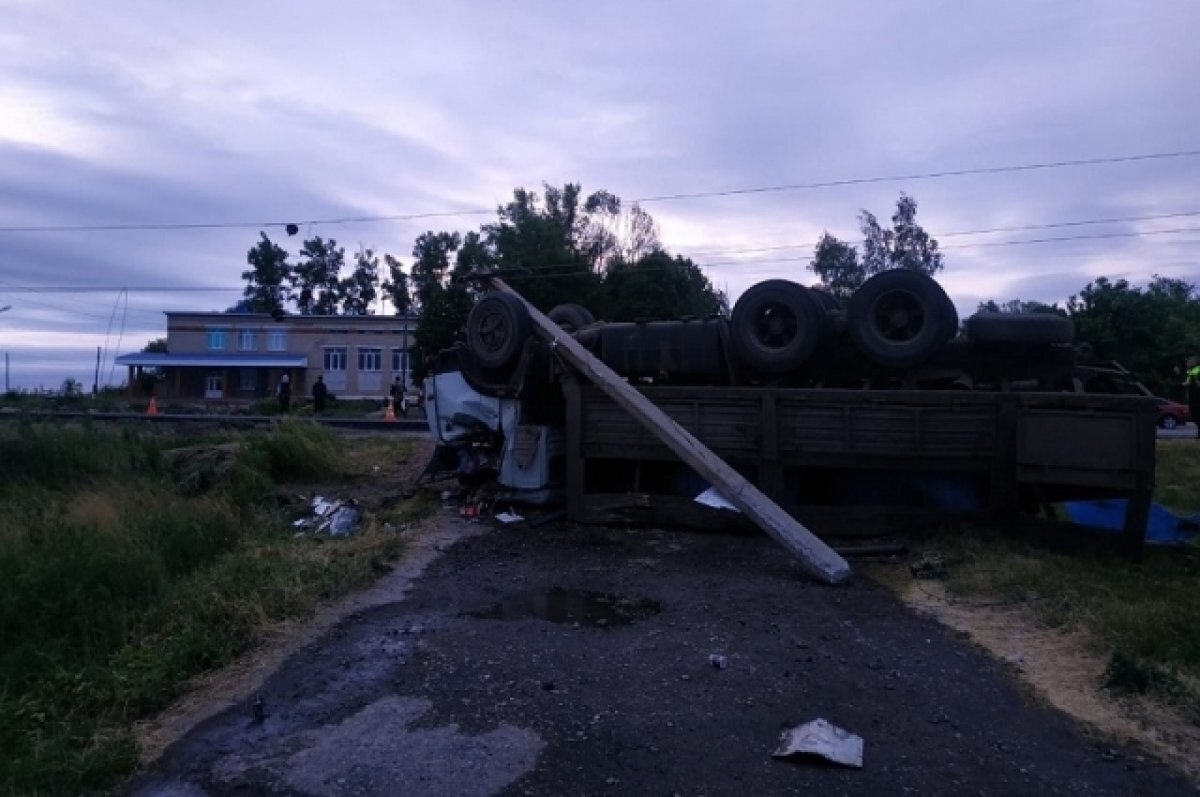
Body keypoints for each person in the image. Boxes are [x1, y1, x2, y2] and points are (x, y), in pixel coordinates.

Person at [1186, 355, 1200, 439]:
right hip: (1193, 396)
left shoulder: (1197, 369)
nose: (1187, 362)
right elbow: (1188, 382)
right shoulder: (1190, 370)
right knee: (1195, 416)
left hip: (1197, 397)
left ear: (1194, 362)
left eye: (1189, 361)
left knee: (1197, 415)